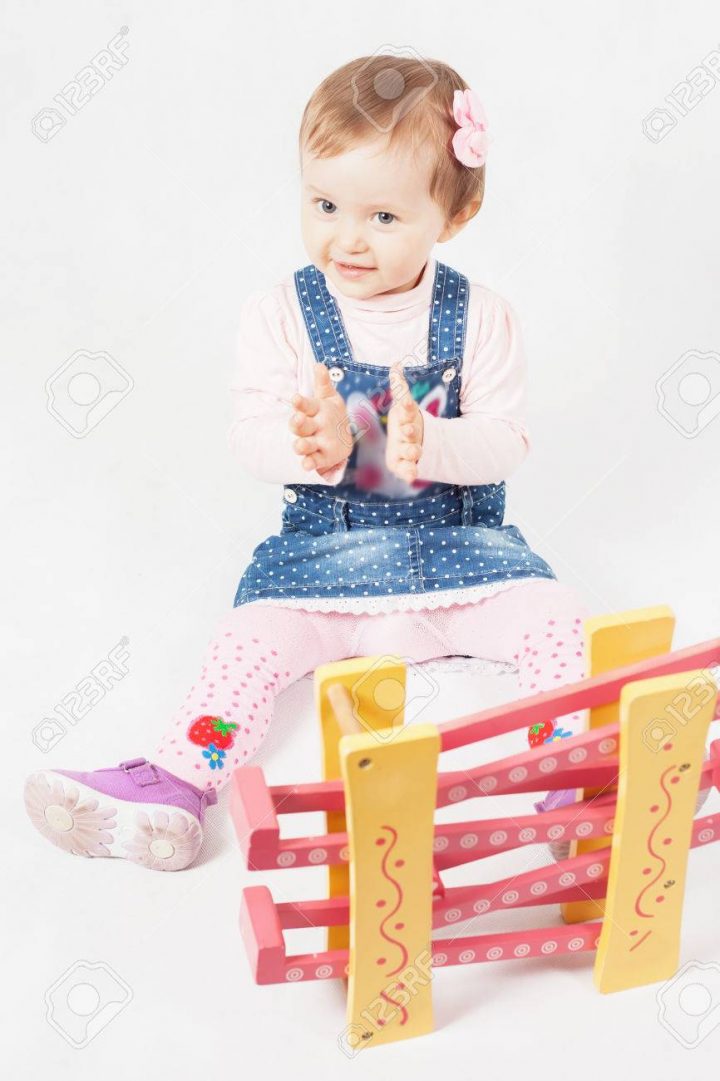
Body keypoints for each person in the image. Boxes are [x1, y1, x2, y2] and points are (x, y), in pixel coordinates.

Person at [25, 54, 625, 871]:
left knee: (553, 609)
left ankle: (573, 774)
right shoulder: (278, 315)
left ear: (454, 213)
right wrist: (313, 446)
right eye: (325, 203)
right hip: (323, 569)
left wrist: (425, 444)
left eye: (384, 217)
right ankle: (177, 783)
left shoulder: (483, 317)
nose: (347, 236)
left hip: (460, 563)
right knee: (247, 638)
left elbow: (507, 438)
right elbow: (249, 437)